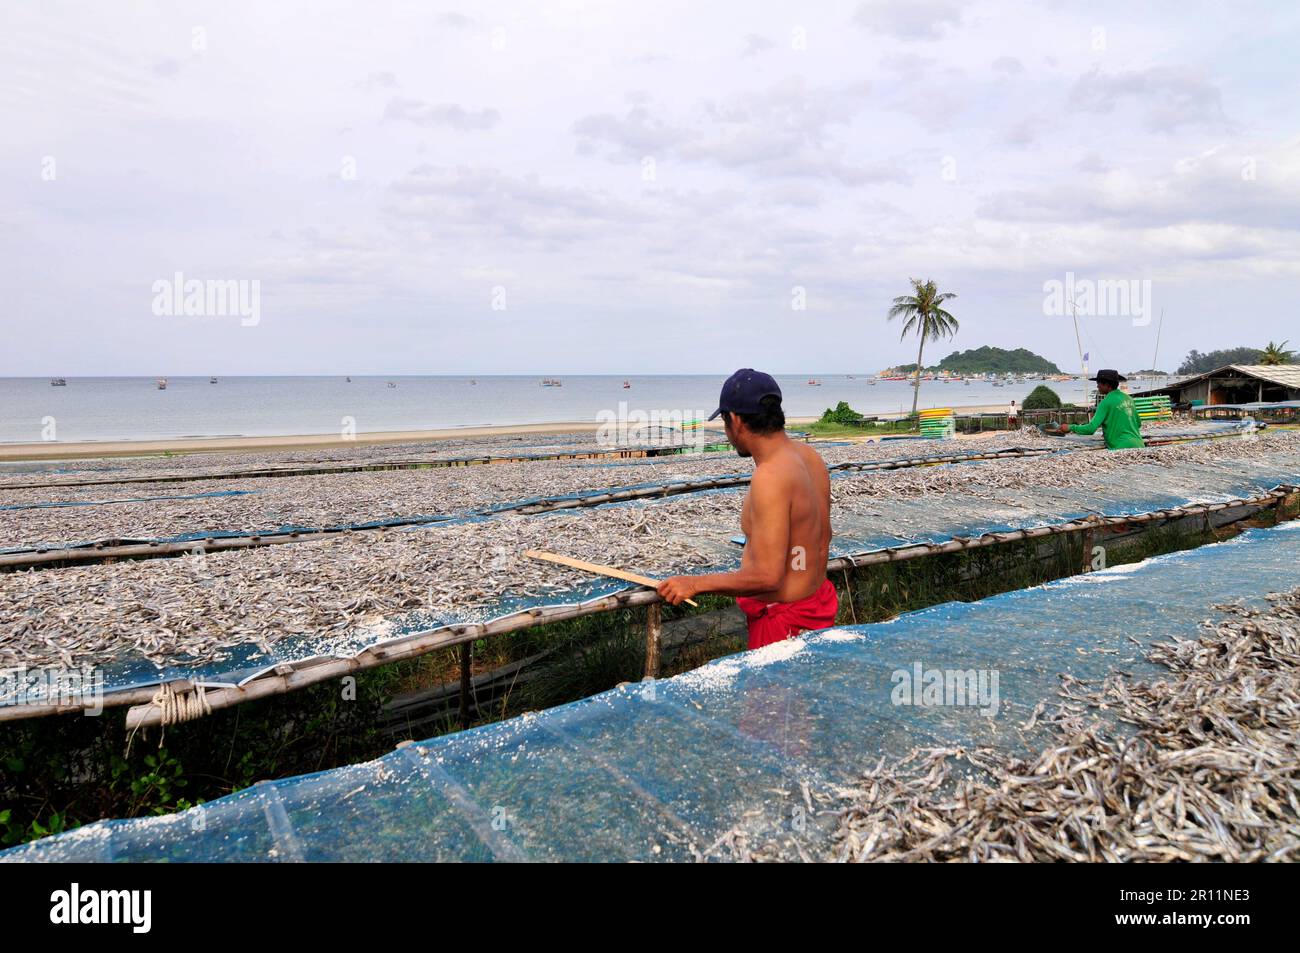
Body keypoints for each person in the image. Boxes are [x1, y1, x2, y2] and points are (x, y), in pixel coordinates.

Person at [657, 369, 837, 649]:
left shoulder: (770, 476)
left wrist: (695, 584)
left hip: (784, 624)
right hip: (816, 604)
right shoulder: (810, 457)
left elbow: (768, 575)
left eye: (725, 422)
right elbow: (819, 540)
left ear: (736, 420)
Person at [1045, 369, 1144, 449]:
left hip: (1121, 448)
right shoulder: (1129, 399)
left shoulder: (1105, 402)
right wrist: (1110, 430)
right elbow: (1138, 424)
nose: (1097, 386)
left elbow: (1090, 429)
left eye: (1099, 383)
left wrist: (1069, 427)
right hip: (1139, 445)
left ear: (1107, 385)